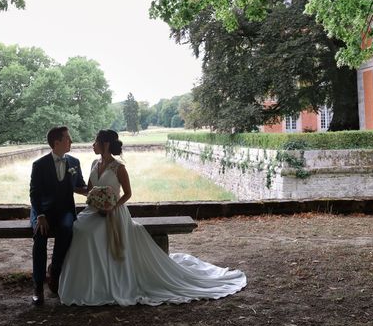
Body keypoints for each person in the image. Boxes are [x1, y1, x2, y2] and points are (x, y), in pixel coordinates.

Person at [59, 129, 247, 306]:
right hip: (94, 211)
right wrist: (72, 188)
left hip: (115, 213)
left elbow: (128, 194)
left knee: (91, 233)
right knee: (80, 229)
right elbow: (91, 190)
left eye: (95, 142)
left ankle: (107, 280)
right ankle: (88, 281)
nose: (93, 145)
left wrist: (112, 207)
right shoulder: (94, 164)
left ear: (105, 144)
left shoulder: (119, 168)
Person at [29, 126, 87, 305]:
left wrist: (99, 192)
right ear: (57, 143)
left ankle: (55, 271)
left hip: (65, 211)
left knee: (67, 229)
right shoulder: (39, 165)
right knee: (39, 237)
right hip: (42, 211)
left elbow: (80, 186)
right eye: (68, 138)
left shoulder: (74, 162)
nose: (71, 141)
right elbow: (34, 193)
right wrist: (39, 215)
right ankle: (38, 286)